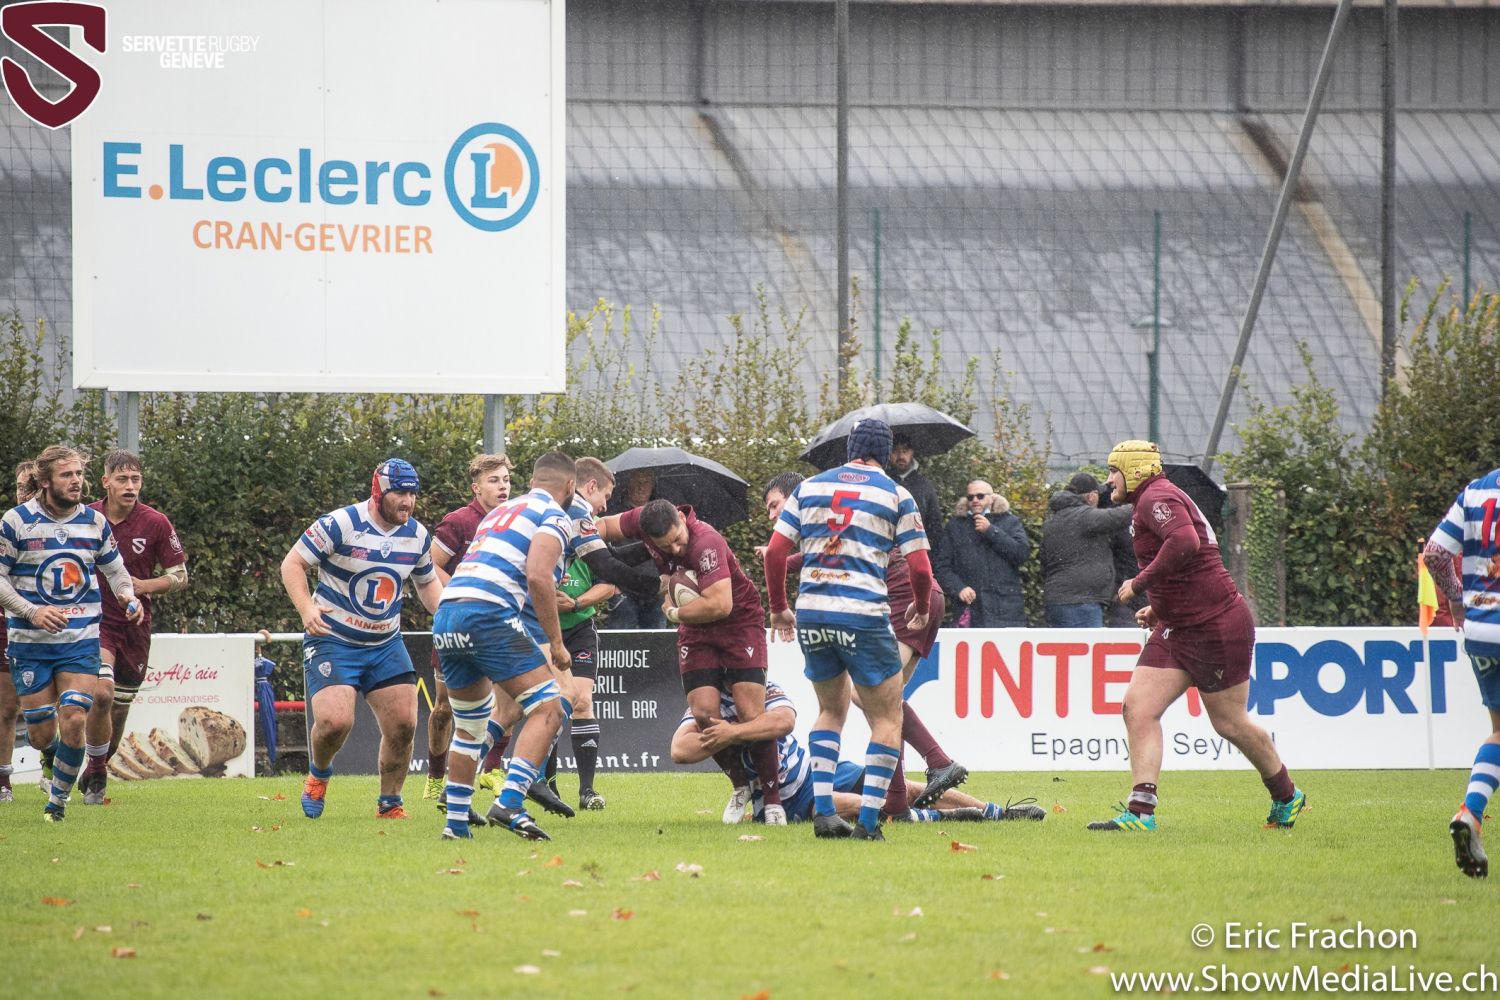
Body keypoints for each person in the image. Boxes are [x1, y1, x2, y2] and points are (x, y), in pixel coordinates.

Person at [1088, 440, 1305, 833]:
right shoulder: (1152, 498)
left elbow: (1186, 543)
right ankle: (1141, 812)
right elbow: (1192, 559)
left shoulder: (1156, 496)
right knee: (1138, 708)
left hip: (1215, 624)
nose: (1108, 480)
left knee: (1230, 723)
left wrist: (1139, 583)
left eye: (1113, 471)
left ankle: (1287, 795)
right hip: (1178, 625)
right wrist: (1159, 607)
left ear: (1133, 470)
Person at [759, 471, 967, 818]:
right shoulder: (836, 515)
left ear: (795, 497)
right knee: (887, 705)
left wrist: (776, 560)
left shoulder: (825, 514)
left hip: (908, 599)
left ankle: (938, 761)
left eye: (774, 505)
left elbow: (814, 556)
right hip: (920, 597)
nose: (771, 515)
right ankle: (899, 800)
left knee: (866, 698)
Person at [763, 418, 934, 840]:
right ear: (886, 453)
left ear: (850, 450)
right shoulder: (896, 494)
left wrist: (780, 608)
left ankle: (824, 813)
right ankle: (869, 824)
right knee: (887, 717)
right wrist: (921, 606)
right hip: (864, 614)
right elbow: (920, 568)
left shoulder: (809, 487)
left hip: (814, 612)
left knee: (830, 711)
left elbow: (775, 552)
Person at [598, 497, 786, 822]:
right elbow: (602, 526)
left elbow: (720, 605)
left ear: (682, 521)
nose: (674, 549)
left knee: (750, 712)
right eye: (664, 546)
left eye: (677, 540)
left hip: (739, 624)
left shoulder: (706, 542)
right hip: (696, 631)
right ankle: (740, 785)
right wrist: (576, 536)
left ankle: (772, 801)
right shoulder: (642, 521)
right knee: (703, 714)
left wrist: (673, 612)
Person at [279, 459, 442, 821]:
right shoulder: (340, 524)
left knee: (404, 724)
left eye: (413, 494)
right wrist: (307, 610)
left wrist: (447, 615)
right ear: (379, 493)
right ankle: (318, 776)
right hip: (333, 639)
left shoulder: (417, 535)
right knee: (334, 722)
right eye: (399, 493)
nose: (408, 501)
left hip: (385, 644)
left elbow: (428, 582)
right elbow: (292, 564)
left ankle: (390, 803)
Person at [431, 451, 579, 842]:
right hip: (488, 614)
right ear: (570, 486)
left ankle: (456, 825)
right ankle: (510, 802)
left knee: (470, 727)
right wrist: (557, 643)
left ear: (531, 481)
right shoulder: (554, 515)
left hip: (448, 612)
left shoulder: (499, 512)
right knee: (549, 706)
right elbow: (538, 576)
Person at [670, 681, 1046, 824]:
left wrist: (731, 733)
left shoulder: (762, 687)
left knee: (909, 788)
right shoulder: (707, 708)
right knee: (863, 804)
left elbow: (783, 721)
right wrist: (726, 730)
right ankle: (948, 818)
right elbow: (679, 750)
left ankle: (996, 812)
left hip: (818, 770)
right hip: (787, 799)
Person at [0, 446, 142, 821]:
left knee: (76, 717)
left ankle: (57, 804)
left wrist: (127, 596)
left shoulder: (94, 522)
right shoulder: (16, 522)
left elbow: (116, 571)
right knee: (41, 734)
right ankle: (52, 755)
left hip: (80, 640)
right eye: (67, 475)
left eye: (79, 473)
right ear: (46, 481)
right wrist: (32, 611)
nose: (76, 480)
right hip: (30, 644)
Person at [77, 450, 189, 804]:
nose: (130, 486)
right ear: (105, 481)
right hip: (95, 623)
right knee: (102, 694)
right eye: (122, 479)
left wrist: (142, 586)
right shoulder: (85, 518)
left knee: (120, 706)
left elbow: (180, 576)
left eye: (135, 479)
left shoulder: (156, 522)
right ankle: (97, 773)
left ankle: (96, 766)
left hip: (134, 625)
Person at [1423, 468, 1500, 879]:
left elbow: (1435, 554)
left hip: (1482, 628)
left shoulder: (1477, 491)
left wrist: (1455, 598)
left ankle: (1470, 813)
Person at [423, 454, 512, 802]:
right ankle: (435, 776)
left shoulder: (513, 519)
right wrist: (459, 596)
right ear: (476, 488)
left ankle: (492, 769)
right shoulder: (459, 521)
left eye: (506, 479)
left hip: (498, 624)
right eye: (494, 480)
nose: (503, 486)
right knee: (445, 708)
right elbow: (429, 565)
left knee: (508, 700)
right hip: (458, 625)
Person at [1040, 472, 1131, 628]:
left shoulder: (1054, 518)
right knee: (1084, 643)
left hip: (1057, 598)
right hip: (1081, 601)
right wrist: (1145, 501)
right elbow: (1117, 516)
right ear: (1091, 496)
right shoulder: (1083, 517)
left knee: (1065, 643)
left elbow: (1044, 561)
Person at [933, 481, 1030, 628]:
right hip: (970, 608)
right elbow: (941, 567)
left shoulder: (1010, 521)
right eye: (970, 497)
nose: (975, 500)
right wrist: (958, 588)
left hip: (1006, 608)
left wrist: (991, 531)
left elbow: (1021, 554)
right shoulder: (955, 526)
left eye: (980, 496)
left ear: (991, 498)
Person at [0, 460, 38, 802]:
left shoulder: (62, 529)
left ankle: (53, 767)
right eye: (19, 487)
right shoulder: (7, 525)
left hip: (50, 626)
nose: (23, 493)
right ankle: (4, 782)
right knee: (7, 707)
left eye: (30, 486)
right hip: (7, 623)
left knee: (50, 708)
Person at [603, 469, 665, 629]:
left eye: (646, 481)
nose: (641, 486)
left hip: (655, 589)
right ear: (629, 483)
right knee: (619, 641)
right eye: (637, 480)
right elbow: (602, 550)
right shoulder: (612, 511)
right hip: (622, 588)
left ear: (653, 485)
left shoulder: (661, 514)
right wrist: (611, 586)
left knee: (657, 640)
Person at [888, 434, 945, 561]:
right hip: (885, 558)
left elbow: (934, 528)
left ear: (912, 452)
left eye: (905, 451)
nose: (901, 456)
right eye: (895, 451)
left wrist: (929, 559)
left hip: (916, 557)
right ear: (889, 454)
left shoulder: (924, 486)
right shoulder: (882, 482)